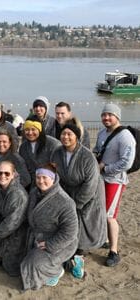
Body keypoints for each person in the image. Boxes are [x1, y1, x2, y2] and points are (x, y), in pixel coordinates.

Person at [51, 124, 107, 278]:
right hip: (68, 192)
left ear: (76, 136)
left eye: (69, 134)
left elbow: (91, 183)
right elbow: (54, 174)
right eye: (63, 134)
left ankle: (79, 258)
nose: (65, 137)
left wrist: (77, 203)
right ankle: (69, 253)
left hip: (90, 194)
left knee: (84, 225)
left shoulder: (87, 156)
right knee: (68, 224)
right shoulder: (57, 153)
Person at [21, 163, 78, 290]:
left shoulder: (65, 202)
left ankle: (57, 271)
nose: (41, 181)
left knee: (33, 264)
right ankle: (68, 262)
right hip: (37, 236)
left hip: (59, 243)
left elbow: (70, 232)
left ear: (53, 178)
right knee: (16, 260)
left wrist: (49, 244)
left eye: (45, 178)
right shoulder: (35, 192)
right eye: (38, 177)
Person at [93, 103, 136, 267]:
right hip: (101, 179)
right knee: (101, 211)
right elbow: (97, 150)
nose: (106, 118)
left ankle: (114, 251)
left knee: (110, 216)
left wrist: (106, 168)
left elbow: (127, 162)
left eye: (109, 115)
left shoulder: (125, 136)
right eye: (104, 115)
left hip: (115, 181)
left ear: (117, 116)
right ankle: (103, 239)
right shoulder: (102, 132)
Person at [19, 116, 61, 184]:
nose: (30, 133)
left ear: (40, 130)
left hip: (51, 183)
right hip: (32, 185)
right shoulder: (23, 147)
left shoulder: (53, 144)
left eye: (33, 129)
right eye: (27, 129)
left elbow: (60, 168)